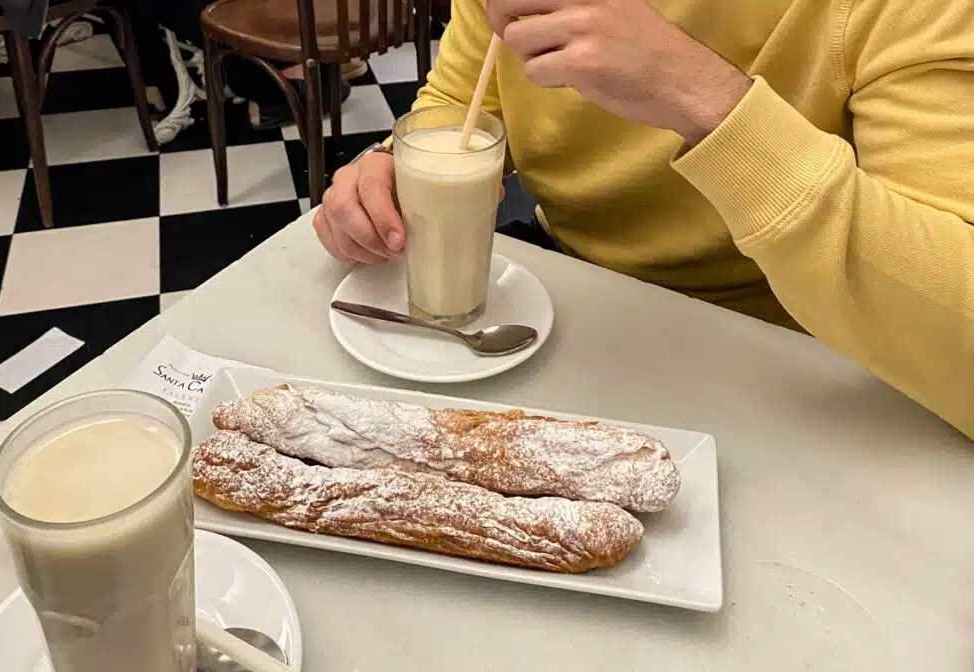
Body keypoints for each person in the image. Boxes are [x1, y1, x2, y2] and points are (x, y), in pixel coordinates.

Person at [312, 0, 974, 440]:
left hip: (784, 354)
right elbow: (465, 102)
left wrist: (702, 96)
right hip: (569, 303)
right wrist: (391, 166)